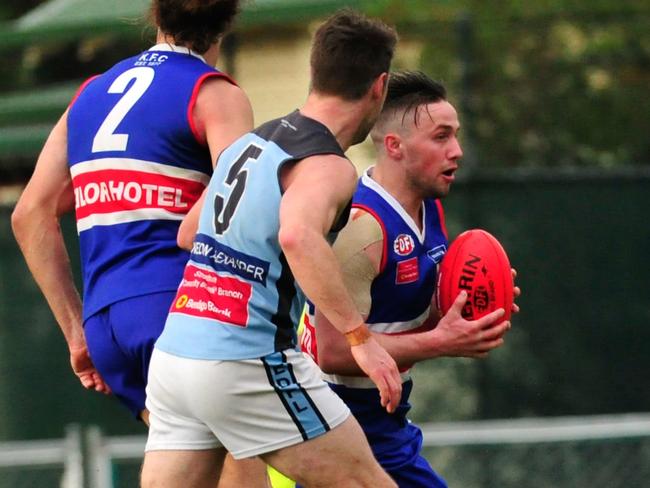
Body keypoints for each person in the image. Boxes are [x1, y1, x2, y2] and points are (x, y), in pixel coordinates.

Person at [141, 9, 401, 488]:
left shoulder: (250, 143)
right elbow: (297, 236)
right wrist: (360, 340)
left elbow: (188, 232)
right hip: (244, 360)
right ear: (378, 87)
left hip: (176, 360)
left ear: (314, 73)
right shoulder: (327, 165)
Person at [11, 0, 264, 485]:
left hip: (107, 324)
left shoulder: (91, 92)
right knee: (244, 465)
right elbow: (236, 201)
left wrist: (75, 332)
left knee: (193, 468)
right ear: (229, 21)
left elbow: (30, 213)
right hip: (178, 309)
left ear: (155, 13)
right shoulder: (212, 92)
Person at [299, 71, 519, 487]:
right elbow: (332, 351)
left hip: (383, 421)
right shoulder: (363, 229)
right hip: (339, 420)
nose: (456, 151)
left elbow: (399, 314)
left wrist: (464, 310)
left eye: (455, 135)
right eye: (441, 137)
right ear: (394, 147)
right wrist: (442, 341)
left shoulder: (427, 206)